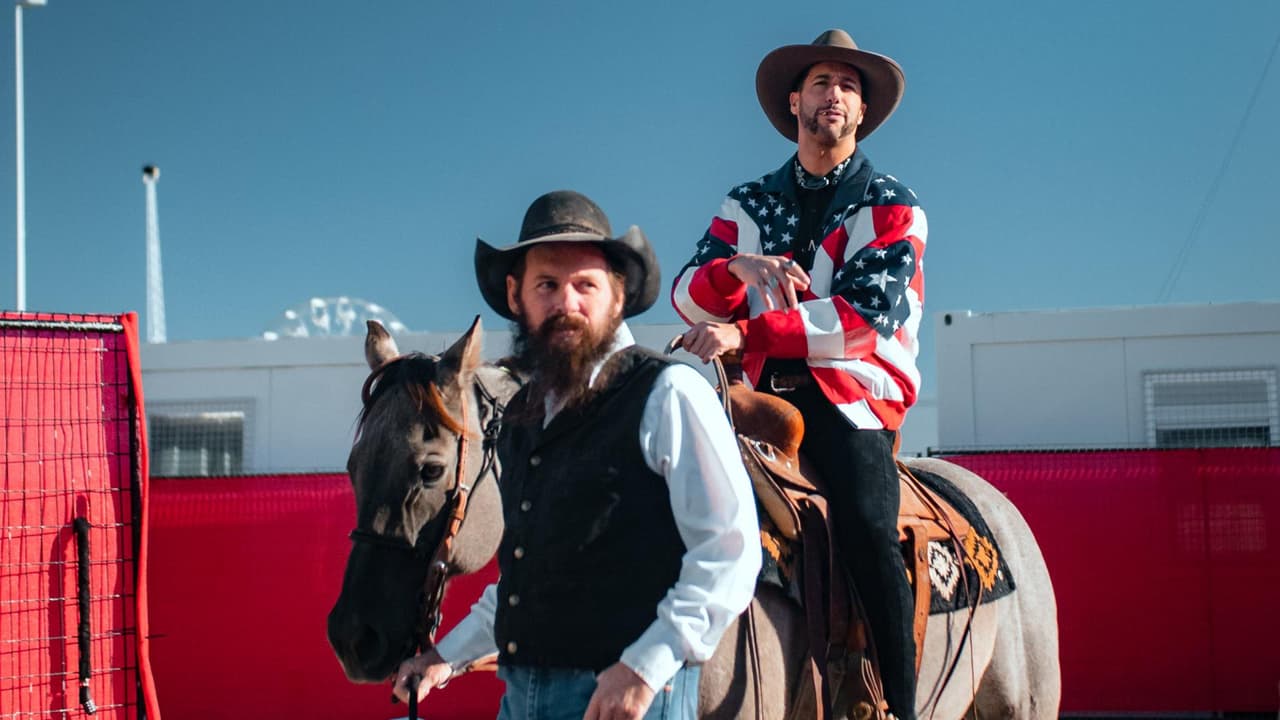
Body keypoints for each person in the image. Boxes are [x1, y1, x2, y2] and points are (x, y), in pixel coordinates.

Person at [393, 190, 761, 720]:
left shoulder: (668, 392)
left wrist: (643, 668)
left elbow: (730, 552)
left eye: (585, 285)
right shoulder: (522, 417)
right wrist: (443, 657)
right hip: (522, 697)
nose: (567, 303)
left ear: (617, 296)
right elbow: (530, 578)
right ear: (516, 295)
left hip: (627, 700)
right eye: (547, 285)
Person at [672, 29, 926, 720]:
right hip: (752, 392)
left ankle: (898, 704)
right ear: (794, 102)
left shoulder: (893, 203)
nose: (834, 95)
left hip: (851, 398)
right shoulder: (746, 202)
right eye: (821, 82)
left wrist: (745, 329)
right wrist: (735, 270)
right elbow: (689, 295)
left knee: (870, 526)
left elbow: (859, 322)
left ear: (862, 111)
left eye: (848, 86)